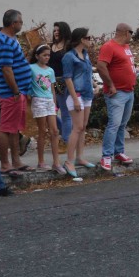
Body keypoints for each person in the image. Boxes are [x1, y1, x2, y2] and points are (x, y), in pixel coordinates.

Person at [0, 10, 34, 174]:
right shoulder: (4, 42)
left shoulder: (12, 39)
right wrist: (15, 90)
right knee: (5, 128)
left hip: (19, 91)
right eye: (20, 22)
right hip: (10, 92)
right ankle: (5, 164)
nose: (22, 25)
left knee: (14, 128)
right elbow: (6, 69)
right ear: (13, 24)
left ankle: (16, 160)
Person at [97, 23, 137, 172]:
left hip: (128, 91)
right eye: (131, 33)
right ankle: (106, 155)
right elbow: (101, 65)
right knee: (114, 124)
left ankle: (118, 151)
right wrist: (111, 85)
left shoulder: (125, 47)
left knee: (122, 124)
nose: (132, 36)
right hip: (117, 93)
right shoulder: (109, 46)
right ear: (126, 32)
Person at [62, 27, 95, 179]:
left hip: (87, 94)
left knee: (83, 126)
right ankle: (69, 161)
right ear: (81, 39)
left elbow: (86, 74)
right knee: (77, 127)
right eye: (88, 37)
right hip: (76, 95)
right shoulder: (69, 57)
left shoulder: (86, 54)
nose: (91, 40)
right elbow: (68, 78)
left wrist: (94, 85)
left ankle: (80, 157)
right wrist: (75, 98)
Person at [28, 44, 63, 173]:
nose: (47, 57)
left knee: (54, 131)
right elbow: (26, 83)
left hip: (49, 101)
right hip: (38, 100)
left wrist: (54, 104)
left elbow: (52, 89)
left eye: (48, 55)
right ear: (37, 56)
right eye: (44, 55)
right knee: (42, 131)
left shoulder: (50, 70)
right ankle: (41, 161)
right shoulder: (31, 68)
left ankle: (56, 162)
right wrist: (29, 95)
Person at [50, 21, 73, 145]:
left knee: (65, 112)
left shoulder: (68, 47)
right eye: (54, 30)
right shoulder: (51, 46)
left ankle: (66, 140)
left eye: (58, 30)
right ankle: (66, 134)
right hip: (52, 82)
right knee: (51, 111)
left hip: (65, 81)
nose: (56, 32)